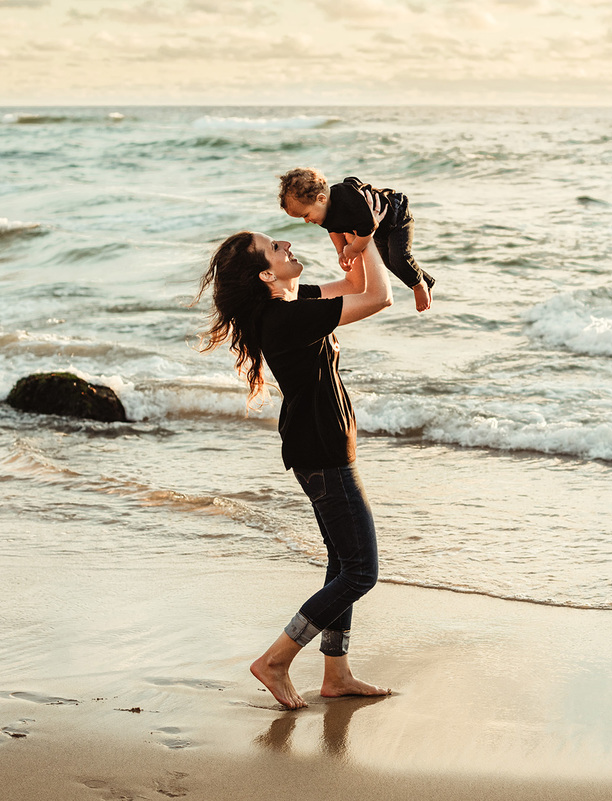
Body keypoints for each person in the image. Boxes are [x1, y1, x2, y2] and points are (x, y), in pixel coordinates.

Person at [195, 229, 395, 709]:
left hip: (319, 449)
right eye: (276, 248)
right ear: (266, 273)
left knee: (341, 565)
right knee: (361, 572)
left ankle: (337, 673)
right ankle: (276, 660)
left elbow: (351, 288)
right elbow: (379, 298)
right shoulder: (284, 317)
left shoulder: (286, 303)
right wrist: (366, 239)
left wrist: (350, 239)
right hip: (322, 453)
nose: (286, 247)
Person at [278, 167, 435, 313]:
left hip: (397, 217)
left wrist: (353, 249)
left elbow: (368, 229)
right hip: (377, 229)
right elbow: (333, 230)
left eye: (305, 215)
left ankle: (418, 285)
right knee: (388, 261)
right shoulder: (322, 213)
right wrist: (341, 252)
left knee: (399, 257)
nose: (306, 221)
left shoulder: (348, 200)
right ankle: (425, 280)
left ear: (321, 199)